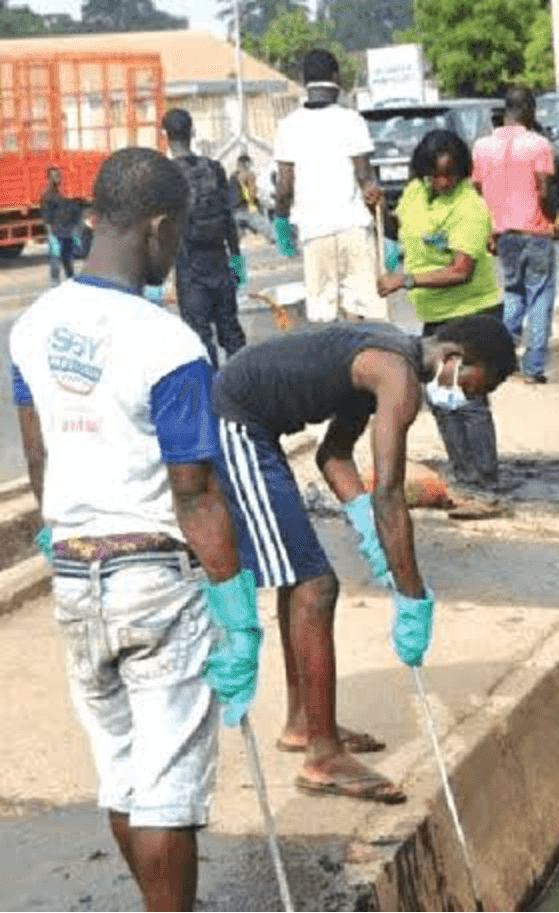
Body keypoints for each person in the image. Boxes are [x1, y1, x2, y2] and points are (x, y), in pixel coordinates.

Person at [10, 147, 259, 911]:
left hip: (76, 575)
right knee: (167, 791)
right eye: (177, 234)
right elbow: (195, 494)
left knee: (121, 772)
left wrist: (58, 534)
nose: (176, 249)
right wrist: (236, 605)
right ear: (156, 226)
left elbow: (39, 452)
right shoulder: (169, 343)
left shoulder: (33, 324)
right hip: (153, 576)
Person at [213, 315, 517, 804]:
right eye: (485, 385)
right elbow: (390, 493)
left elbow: (333, 455)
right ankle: (324, 757)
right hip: (233, 421)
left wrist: (362, 524)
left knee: (303, 576)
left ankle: (302, 723)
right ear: (457, 360)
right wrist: (411, 593)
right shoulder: (397, 377)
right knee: (316, 585)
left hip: (254, 423)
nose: (477, 398)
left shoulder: (386, 360)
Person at [377, 129, 508, 503]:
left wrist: (406, 279)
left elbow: (460, 270)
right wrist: (379, 208)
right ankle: (463, 470)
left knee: (467, 396)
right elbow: (398, 226)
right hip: (436, 315)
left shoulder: (468, 207)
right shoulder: (415, 193)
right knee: (438, 395)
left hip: (473, 313)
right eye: (435, 174)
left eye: (451, 174)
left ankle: (484, 479)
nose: (443, 181)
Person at [273, 48, 385, 322]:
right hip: (353, 228)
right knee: (360, 311)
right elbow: (364, 178)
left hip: (315, 232)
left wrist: (281, 221)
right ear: (337, 77)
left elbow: (285, 186)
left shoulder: (288, 126)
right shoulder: (352, 120)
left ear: (303, 81)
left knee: (323, 316)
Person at [473, 87, 559, 385]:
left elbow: (477, 190)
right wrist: (556, 219)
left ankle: (502, 358)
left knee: (513, 294)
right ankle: (534, 367)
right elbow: (545, 191)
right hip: (535, 231)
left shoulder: (482, 147)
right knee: (539, 295)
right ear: (529, 110)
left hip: (503, 232)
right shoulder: (537, 144)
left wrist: (489, 228)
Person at [163, 108, 247, 367]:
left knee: (199, 338)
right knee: (231, 332)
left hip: (189, 265)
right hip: (219, 260)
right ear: (193, 133)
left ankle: (211, 398)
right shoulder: (214, 168)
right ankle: (244, 391)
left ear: (165, 136)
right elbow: (228, 217)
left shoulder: (165, 174)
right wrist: (236, 259)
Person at [40, 166, 80, 285]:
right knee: (56, 258)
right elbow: (46, 217)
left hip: (66, 232)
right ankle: (55, 282)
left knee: (68, 259)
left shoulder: (59, 195)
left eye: (58, 176)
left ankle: (71, 280)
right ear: (49, 178)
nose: (58, 178)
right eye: (55, 176)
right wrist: (50, 235)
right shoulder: (47, 196)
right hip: (56, 232)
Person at [233, 153, 274, 239]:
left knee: (238, 238)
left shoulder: (233, 176)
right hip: (248, 210)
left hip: (235, 212)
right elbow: (251, 193)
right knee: (269, 232)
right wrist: (252, 204)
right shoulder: (249, 174)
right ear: (247, 164)